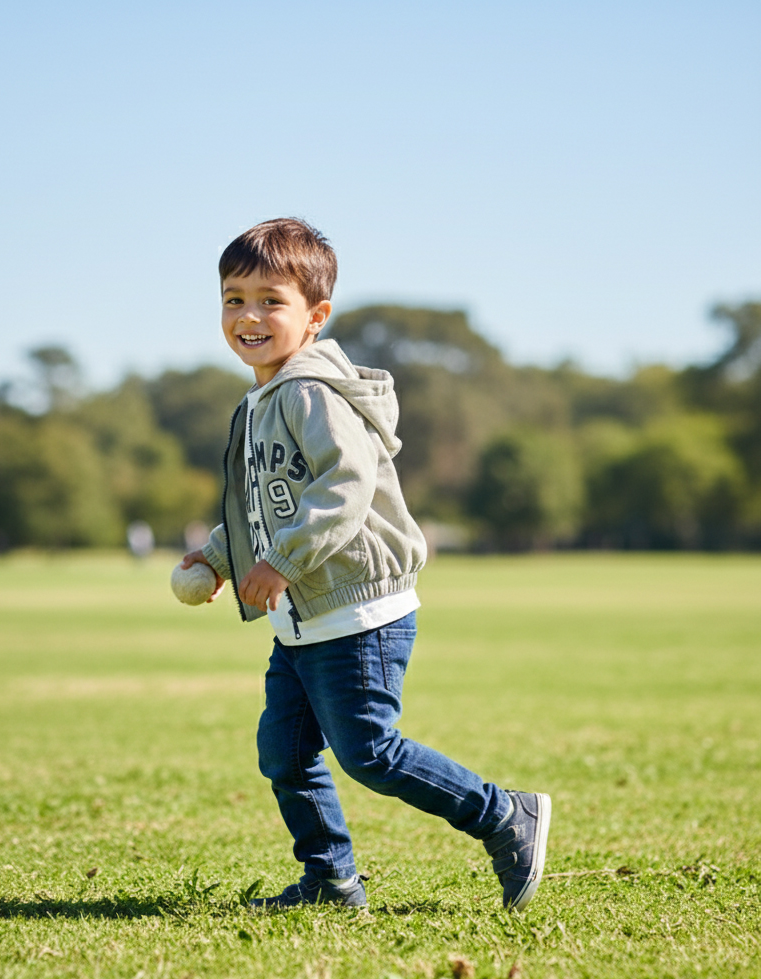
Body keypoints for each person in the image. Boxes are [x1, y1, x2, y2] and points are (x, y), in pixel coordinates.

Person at [181, 218, 550, 910]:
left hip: (357, 612)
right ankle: (330, 879)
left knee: (370, 752)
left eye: (270, 300)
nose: (249, 316)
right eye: (234, 299)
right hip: (303, 619)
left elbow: (343, 487)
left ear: (315, 316)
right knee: (285, 754)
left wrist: (281, 563)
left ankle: (504, 814)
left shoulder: (309, 393)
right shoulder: (263, 401)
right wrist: (221, 555)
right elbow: (267, 503)